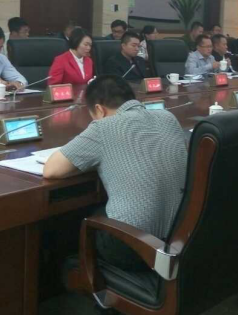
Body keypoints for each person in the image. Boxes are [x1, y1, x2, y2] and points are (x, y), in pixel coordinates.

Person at [43, 75, 187, 271]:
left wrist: (94, 159)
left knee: (78, 220)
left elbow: (51, 170)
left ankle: (70, 276)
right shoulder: (167, 118)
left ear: (100, 110)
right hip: (180, 237)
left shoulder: (103, 127)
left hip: (134, 247)